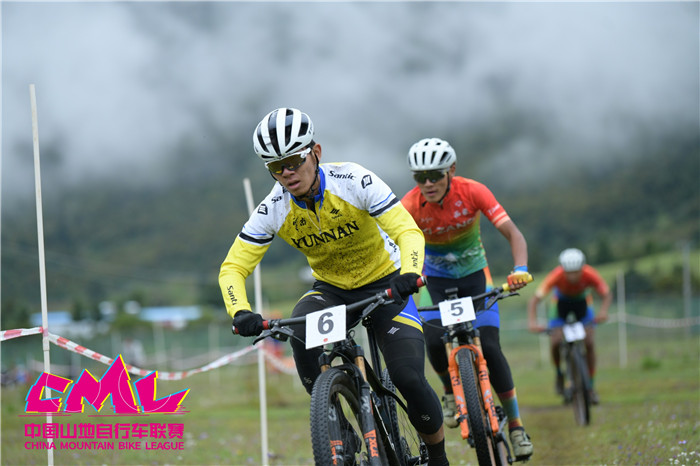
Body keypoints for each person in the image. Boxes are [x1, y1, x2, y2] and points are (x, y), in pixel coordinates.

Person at [219, 108, 449, 465]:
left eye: (294, 161)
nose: (287, 173)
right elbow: (233, 268)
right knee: (299, 335)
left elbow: (407, 232)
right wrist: (240, 311)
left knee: (407, 376)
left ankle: (438, 456)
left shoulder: (354, 180)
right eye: (276, 167)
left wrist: (410, 272)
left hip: (386, 282)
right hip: (332, 289)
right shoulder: (274, 208)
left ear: (316, 152)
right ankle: (338, 428)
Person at [400, 137, 534, 460]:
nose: (428, 184)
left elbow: (513, 234)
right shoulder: (409, 205)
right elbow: (393, 246)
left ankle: (516, 427)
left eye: (435, 175)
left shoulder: (473, 191)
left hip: (476, 278)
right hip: (434, 281)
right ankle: (449, 392)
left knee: (489, 346)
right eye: (420, 177)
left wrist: (519, 269)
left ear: (451, 170)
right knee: (433, 340)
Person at [527, 248, 611, 404]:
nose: (573, 276)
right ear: (563, 270)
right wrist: (532, 322)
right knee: (555, 342)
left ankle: (590, 387)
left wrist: (603, 312)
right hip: (560, 306)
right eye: (569, 273)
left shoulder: (590, 274)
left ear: (582, 269)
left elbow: (606, 293)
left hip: (582, 305)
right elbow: (534, 300)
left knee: (589, 343)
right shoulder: (556, 275)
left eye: (576, 272)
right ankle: (559, 373)